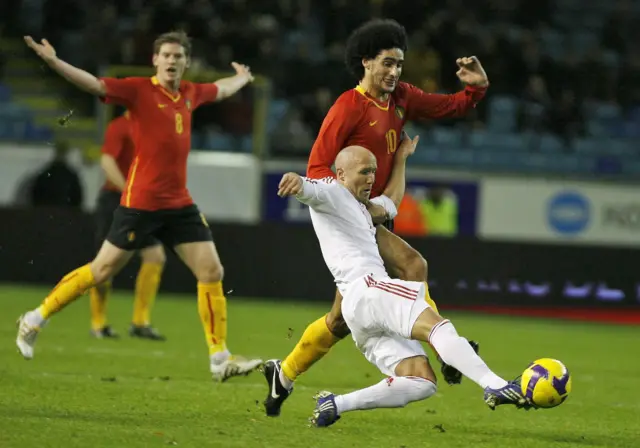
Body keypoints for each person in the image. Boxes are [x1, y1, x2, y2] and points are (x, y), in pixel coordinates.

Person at [263, 18, 487, 416]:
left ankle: (283, 373)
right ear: (366, 63)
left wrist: (476, 89)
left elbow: (447, 106)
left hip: (378, 212)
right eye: (386, 63)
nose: (394, 72)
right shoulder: (348, 107)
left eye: (399, 64)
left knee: (339, 321)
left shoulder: (400, 97)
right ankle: (445, 347)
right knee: (413, 262)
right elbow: (317, 169)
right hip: (354, 216)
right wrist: (353, 205)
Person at [16, 31, 262, 381]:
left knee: (211, 271)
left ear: (186, 63)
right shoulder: (138, 90)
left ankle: (219, 358)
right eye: (166, 55)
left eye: (178, 56)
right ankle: (34, 318)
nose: (172, 61)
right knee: (101, 272)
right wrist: (54, 61)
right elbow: (94, 85)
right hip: (141, 204)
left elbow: (221, 89)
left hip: (179, 204)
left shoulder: (191, 93)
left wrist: (241, 78)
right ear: (155, 60)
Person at [277, 140, 531, 427]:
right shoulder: (333, 193)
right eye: (363, 172)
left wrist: (401, 159)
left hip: (358, 309)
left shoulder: (364, 209)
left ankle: (335, 404)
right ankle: (494, 384)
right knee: (438, 325)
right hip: (370, 289)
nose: (371, 178)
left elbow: (391, 202)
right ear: (341, 174)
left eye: (373, 171)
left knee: (421, 381)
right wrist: (296, 182)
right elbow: (311, 190)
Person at [89, 111, 166, 341]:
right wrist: (127, 189)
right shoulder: (120, 126)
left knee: (155, 256)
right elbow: (107, 160)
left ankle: (140, 322)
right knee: (105, 265)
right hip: (116, 200)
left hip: (140, 203)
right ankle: (98, 323)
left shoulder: (152, 127)